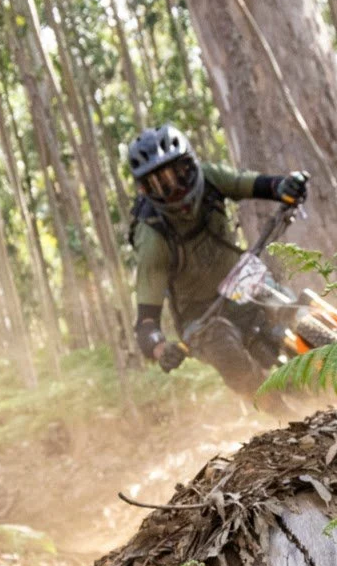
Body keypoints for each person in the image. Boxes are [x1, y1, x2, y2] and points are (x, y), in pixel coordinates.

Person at [123, 124, 310, 397]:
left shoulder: (209, 178)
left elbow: (256, 184)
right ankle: (280, 412)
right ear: (144, 190)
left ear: (189, 165)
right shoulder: (152, 237)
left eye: (176, 175)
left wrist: (285, 186)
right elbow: (146, 322)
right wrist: (162, 350)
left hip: (241, 280)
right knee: (224, 347)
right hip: (199, 315)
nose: (172, 190)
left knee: (293, 312)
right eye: (159, 185)